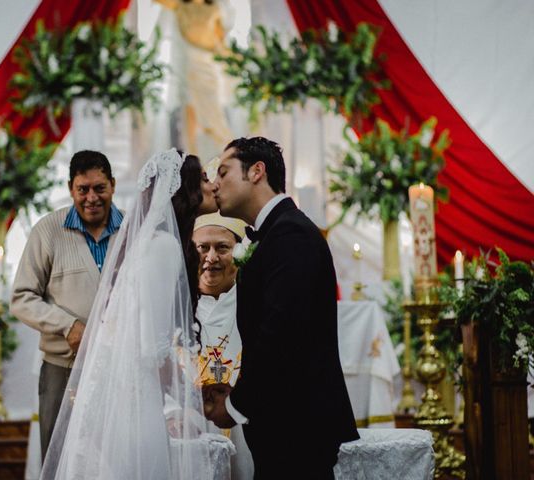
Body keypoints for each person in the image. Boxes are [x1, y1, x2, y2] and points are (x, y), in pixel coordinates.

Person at [40, 149, 239, 480]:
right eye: (203, 179)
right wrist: (197, 402)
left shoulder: (152, 244)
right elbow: (153, 350)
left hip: (128, 402)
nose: (212, 185)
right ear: (184, 190)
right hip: (138, 409)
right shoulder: (163, 248)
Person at [203, 137, 359, 479]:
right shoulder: (276, 234)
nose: (215, 184)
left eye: (224, 172)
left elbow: (280, 336)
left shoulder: (292, 235)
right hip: (283, 427)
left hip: (298, 429)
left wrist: (234, 405)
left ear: (257, 172)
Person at [10, 150, 122, 461]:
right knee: (59, 459)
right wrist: (68, 326)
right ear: (70, 187)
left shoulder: (131, 229)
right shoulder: (47, 231)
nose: (91, 198)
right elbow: (21, 297)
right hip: (63, 369)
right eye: (82, 189)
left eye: (99, 188)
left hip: (119, 369)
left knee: (112, 459)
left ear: (112, 184)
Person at [193, 212, 254, 479]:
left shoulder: (256, 304)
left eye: (222, 247)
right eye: (202, 248)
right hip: (192, 431)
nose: (211, 257)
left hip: (246, 426)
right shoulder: (177, 308)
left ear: (240, 254)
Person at [154, 0, 233, 157]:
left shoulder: (214, 9)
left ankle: (226, 156)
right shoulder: (180, 7)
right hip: (188, 67)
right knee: (190, 113)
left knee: (213, 115)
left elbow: (221, 42)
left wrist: (234, 61)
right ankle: (194, 160)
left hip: (207, 66)